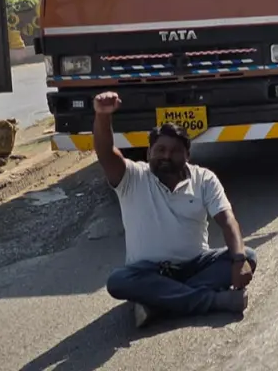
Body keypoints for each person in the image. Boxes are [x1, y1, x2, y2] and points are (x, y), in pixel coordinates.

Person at [93, 92, 255, 328]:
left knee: (249, 256)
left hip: (195, 266)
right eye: (160, 150)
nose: (166, 156)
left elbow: (227, 219)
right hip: (148, 272)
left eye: (175, 150)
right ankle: (212, 301)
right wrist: (102, 116)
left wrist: (239, 259)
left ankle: (158, 303)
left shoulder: (204, 178)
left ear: (187, 155)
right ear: (149, 153)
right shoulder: (132, 177)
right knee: (119, 281)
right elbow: (106, 152)